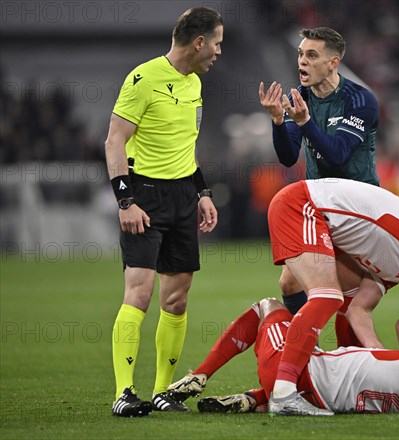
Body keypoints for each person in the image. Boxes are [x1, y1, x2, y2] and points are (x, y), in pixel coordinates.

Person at [235, 178, 399, 415]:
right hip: (304, 205)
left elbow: (358, 311)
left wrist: (378, 357)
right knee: (328, 296)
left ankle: (270, 385)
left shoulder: (396, 267)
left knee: (298, 287)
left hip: (310, 210)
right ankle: (285, 391)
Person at [104, 7, 222, 417]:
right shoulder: (143, 78)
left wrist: (202, 191)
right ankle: (123, 393)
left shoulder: (194, 84)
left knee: (177, 299)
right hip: (145, 196)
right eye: (218, 43)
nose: (220, 52)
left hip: (182, 198)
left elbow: (184, 147)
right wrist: (125, 200)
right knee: (139, 292)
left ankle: (161, 392)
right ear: (199, 42)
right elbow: (114, 142)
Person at [168, 297, 399, 415]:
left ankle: (200, 374)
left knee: (267, 306)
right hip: (315, 397)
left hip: (292, 371)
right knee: (331, 366)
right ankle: (253, 399)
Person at [258, 27, 380, 318]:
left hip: (357, 206)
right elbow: (288, 158)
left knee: (344, 295)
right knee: (289, 282)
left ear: (333, 63)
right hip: (320, 205)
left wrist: (305, 123)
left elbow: (337, 155)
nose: (302, 61)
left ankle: (344, 355)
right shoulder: (301, 97)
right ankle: (307, 349)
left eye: (312, 55)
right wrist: (278, 121)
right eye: (300, 54)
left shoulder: (360, 100)